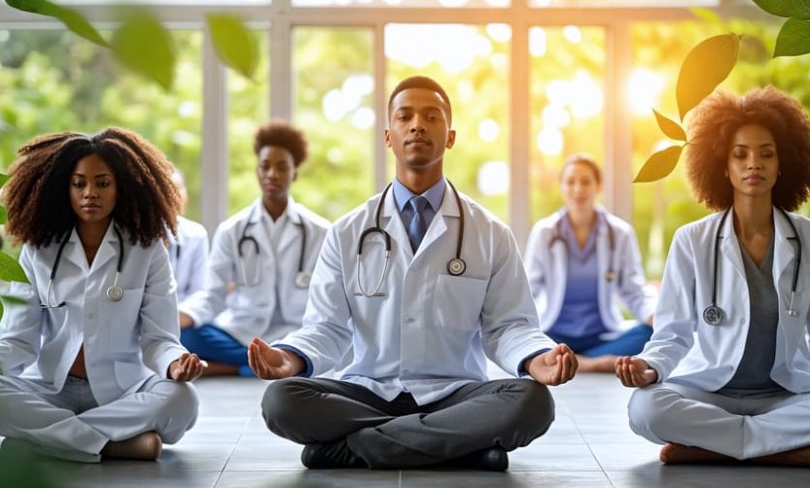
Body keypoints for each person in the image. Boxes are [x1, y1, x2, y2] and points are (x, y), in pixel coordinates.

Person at [248, 75, 577, 471]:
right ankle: (462, 447)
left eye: (431, 117)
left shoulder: (490, 233)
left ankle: (350, 448)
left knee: (532, 402)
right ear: (389, 136)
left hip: (455, 393)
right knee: (281, 401)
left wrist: (537, 358)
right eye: (405, 117)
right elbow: (327, 328)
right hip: (367, 391)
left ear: (450, 136)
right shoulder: (348, 231)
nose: (417, 125)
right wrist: (290, 359)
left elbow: (508, 326)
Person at [616, 86, 810, 465]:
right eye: (741, 155)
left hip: (785, 390)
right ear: (723, 165)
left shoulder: (807, 239)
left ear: (782, 163)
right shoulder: (692, 241)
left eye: (766, 154)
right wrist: (648, 367)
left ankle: (714, 447)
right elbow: (672, 333)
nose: (754, 164)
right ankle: (778, 451)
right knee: (645, 409)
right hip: (711, 389)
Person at [0, 128, 204, 463]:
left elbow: (159, 340)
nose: (89, 193)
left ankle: (47, 441)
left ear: (122, 186)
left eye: (102, 183)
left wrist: (175, 364)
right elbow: (18, 341)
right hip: (52, 390)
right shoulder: (39, 250)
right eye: (78, 183)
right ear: (63, 188)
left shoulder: (148, 249)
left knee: (183, 401)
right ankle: (111, 444)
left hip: (123, 391)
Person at [178, 119, 330, 377]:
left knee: (335, 342)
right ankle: (265, 365)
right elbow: (212, 295)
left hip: (297, 334)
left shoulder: (321, 231)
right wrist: (184, 316)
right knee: (186, 335)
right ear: (257, 171)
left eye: (282, 167)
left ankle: (247, 365)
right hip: (241, 334)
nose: (273, 174)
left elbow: (327, 302)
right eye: (265, 166)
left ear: (295, 173)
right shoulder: (232, 230)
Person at [524, 154, 655, 372]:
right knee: (527, 341)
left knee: (649, 334)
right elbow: (528, 289)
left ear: (598, 185)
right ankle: (596, 362)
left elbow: (634, 290)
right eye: (570, 182)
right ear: (562, 186)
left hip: (601, 335)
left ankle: (573, 362)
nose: (578, 189)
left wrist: (655, 317)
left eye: (586, 182)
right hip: (554, 334)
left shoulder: (619, 233)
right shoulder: (545, 232)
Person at [167, 167, 209, 303]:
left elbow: (199, 292)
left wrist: (177, 319)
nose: (173, 196)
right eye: (166, 190)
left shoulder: (196, 234)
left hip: (183, 317)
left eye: (178, 189)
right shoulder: (136, 237)